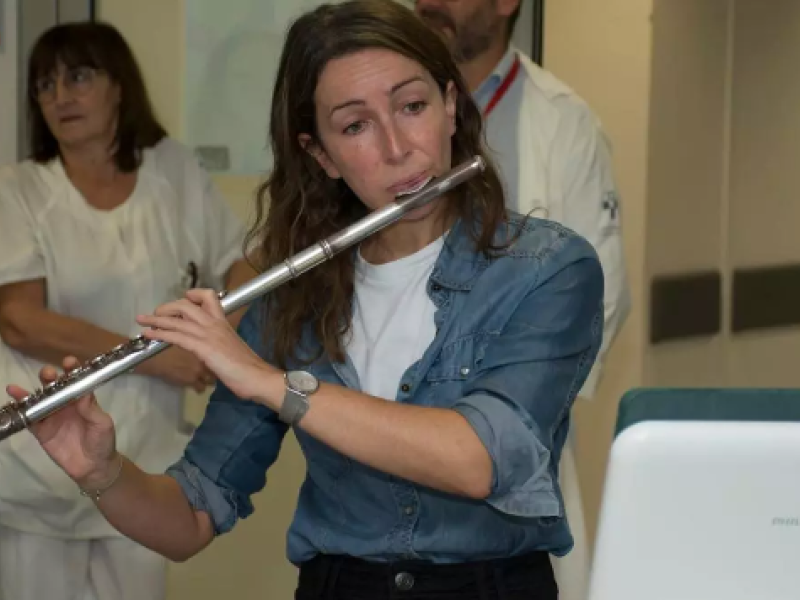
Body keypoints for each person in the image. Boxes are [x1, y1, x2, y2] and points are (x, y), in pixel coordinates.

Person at [7, 2, 603, 599]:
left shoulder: (548, 269)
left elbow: (480, 460)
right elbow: (189, 518)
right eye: (354, 126)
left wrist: (271, 383)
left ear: (451, 106)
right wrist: (102, 473)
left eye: (413, 106)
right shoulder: (296, 295)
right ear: (321, 155)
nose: (397, 148)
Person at [0, 21, 253, 600]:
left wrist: (220, 344)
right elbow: (20, 319)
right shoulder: (18, 188)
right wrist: (159, 359)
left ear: (119, 86)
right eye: (45, 85)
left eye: (78, 77)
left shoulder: (173, 170)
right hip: (37, 474)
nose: (59, 96)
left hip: (144, 466)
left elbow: (240, 264)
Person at [413, 1, 632, 597]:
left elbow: (599, 295)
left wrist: (503, 407)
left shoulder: (562, 121)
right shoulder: (388, 103)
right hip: (394, 429)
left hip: (512, 428)